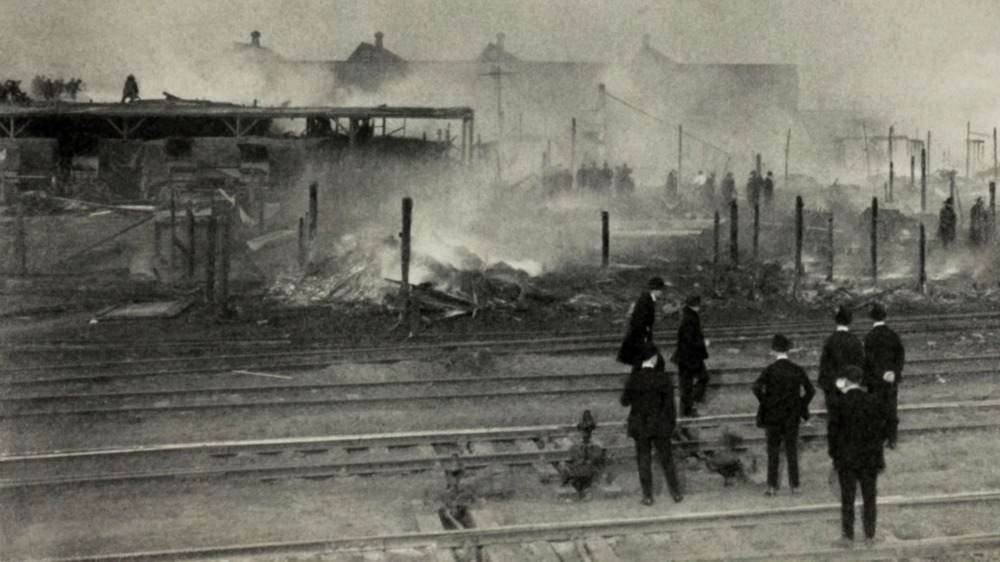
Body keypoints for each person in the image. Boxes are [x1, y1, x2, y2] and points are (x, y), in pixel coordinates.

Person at [828, 365, 889, 543]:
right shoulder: (872, 401)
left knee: (847, 498)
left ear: (845, 380)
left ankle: (848, 536)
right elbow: (880, 431)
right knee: (870, 497)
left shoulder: (839, 403)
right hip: (869, 458)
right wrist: (879, 457)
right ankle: (870, 534)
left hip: (846, 459)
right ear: (860, 381)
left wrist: (835, 456)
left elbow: (833, 433)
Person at [621, 342, 683, 505]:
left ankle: (648, 496)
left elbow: (624, 402)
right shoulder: (663, 378)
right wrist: (671, 426)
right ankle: (675, 493)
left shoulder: (634, 378)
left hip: (640, 425)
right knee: (667, 460)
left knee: (643, 460)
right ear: (654, 358)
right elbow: (670, 407)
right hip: (661, 425)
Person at [753, 333, 815, 496]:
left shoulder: (770, 370)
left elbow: (756, 388)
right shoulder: (797, 369)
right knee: (792, 450)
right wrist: (801, 405)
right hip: (792, 416)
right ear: (789, 349)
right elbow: (811, 390)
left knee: (773, 451)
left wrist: (766, 402)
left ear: (774, 350)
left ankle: (772, 487)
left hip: (773, 416)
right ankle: (795, 486)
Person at [863, 303, 904, 449]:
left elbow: (869, 360)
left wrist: (880, 374)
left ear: (871, 318)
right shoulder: (893, 335)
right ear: (885, 316)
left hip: (875, 380)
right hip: (891, 380)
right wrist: (894, 372)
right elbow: (900, 356)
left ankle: (878, 438)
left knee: (875, 409)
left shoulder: (869, 337)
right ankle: (892, 438)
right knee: (891, 408)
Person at [818, 305, 865, 406]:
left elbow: (824, 365)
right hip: (852, 383)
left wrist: (827, 383)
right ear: (850, 321)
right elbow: (860, 363)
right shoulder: (855, 340)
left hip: (833, 384)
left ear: (836, 321)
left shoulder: (830, 340)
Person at [673, 294, 709, 417]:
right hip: (690, 356)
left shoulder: (688, 316)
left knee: (687, 385)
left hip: (688, 356)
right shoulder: (690, 318)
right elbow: (689, 338)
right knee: (699, 380)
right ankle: (689, 408)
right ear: (696, 305)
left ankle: (687, 409)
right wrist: (702, 343)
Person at [616, 277, 666, 366]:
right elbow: (640, 320)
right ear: (655, 290)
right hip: (640, 336)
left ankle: (638, 376)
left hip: (640, 336)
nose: (662, 293)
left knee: (641, 360)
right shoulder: (646, 300)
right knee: (643, 359)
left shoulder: (648, 299)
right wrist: (645, 334)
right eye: (661, 290)